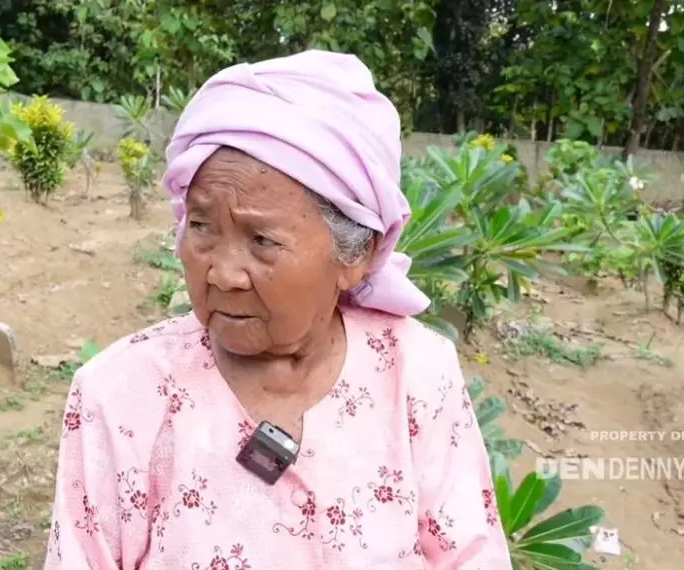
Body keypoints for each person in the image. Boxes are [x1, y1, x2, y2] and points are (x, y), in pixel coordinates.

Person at [45, 49, 511, 569]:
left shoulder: (416, 374)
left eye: (262, 240)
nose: (222, 273)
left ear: (357, 254)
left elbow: (471, 556)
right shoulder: (122, 393)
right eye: (201, 227)